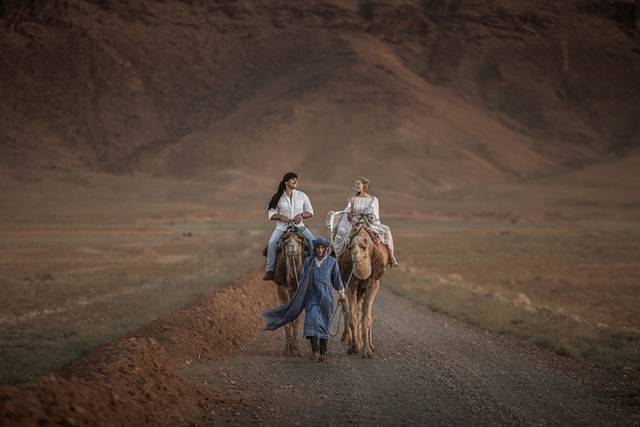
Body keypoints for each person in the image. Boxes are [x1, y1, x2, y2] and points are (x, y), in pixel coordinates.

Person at [263, 238, 347, 362]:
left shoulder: (332, 262)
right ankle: (315, 352)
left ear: (325, 249)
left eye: (322, 248)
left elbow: (337, 280)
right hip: (311, 295)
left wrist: (342, 294)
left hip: (326, 297)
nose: (319, 250)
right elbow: (303, 279)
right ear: (315, 249)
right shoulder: (308, 262)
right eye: (318, 248)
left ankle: (323, 353)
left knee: (324, 323)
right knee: (312, 320)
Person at [328, 176, 398, 265]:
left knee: (386, 229)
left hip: (369, 223)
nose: (356, 185)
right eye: (356, 184)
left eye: (358, 183)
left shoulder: (373, 199)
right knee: (340, 233)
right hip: (355, 223)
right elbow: (349, 217)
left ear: (364, 185)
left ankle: (391, 257)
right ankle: (337, 257)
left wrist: (366, 219)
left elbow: (375, 215)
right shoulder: (353, 199)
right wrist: (350, 212)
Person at [263, 172, 315, 281]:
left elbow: (310, 212)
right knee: (272, 243)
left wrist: (301, 215)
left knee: (313, 241)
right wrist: (281, 217)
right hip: (282, 228)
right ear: (286, 182)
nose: (296, 181)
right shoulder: (277, 197)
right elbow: (270, 215)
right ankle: (270, 270)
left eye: (296, 179)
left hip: (299, 226)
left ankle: (313, 268)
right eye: (293, 179)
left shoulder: (302, 195)